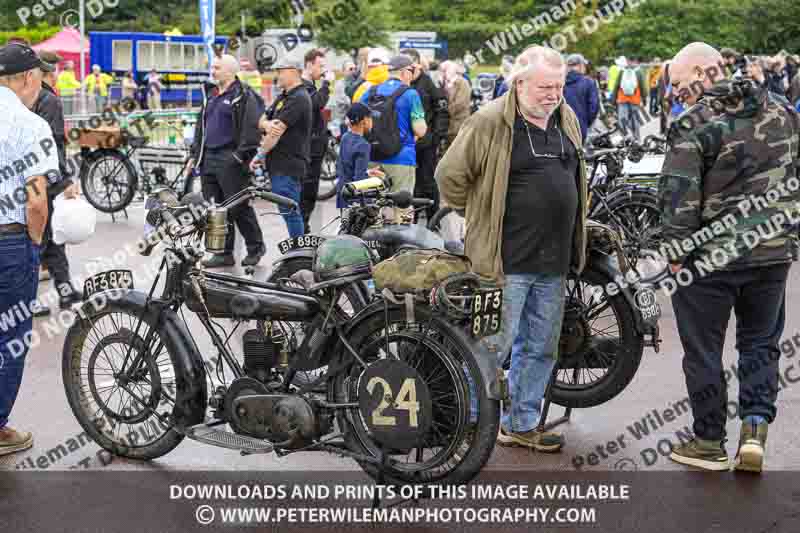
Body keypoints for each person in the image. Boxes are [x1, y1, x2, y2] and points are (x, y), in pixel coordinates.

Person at [435, 46, 588, 453]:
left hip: (553, 262)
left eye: (558, 87)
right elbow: (449, 174)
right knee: (490, 345)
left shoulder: (565, 118)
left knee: (540, 347)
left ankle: (519, 424)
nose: (553, 95)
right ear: (519, 83)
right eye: (544, 87)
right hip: (502, 262)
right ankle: (463, 424)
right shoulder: (488, 121)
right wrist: (478, 214)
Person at [659, 42, 800, 473]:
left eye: (681, 83)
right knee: (760, 345)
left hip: (710, 260)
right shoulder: (783, 110)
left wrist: (676, 254)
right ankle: (754, 433)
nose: (677, 93)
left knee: (703, 351)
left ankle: (708, 442)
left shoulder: (693, 124)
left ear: (705, 72)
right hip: (772, 253)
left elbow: (678, 198)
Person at [0, 43, 55, 457]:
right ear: (26, 78)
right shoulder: (29, 124)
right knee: (10, 337)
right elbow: (37, 200)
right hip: (10, 241)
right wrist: (35, 245)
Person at [187, 54, 265, 267]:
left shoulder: (244, 95)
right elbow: (200, 128)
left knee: (238, 206)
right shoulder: (211, 94)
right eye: (213, 67)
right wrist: (195, 156)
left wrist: (239, 156)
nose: (213, 71)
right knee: (215, 208)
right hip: (208, 158)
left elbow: (252, 128)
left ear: (231, 71)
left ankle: (256, 247)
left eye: (217, 67)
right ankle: (223, 253)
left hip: (230, 158)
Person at [30, 51, 81, 317]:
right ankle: (30, 300)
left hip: (32, 178)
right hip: (45, 180)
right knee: (41, 239)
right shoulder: (49, 100)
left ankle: (65, 290)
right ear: (50, 72)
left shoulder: (27, 98)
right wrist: (64, 181)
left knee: (51, 239)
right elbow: (53, 144)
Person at [359, 54, 427, 222]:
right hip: (402, 159)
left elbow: (354, 119)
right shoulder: (411, 94)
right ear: (404, 72)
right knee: (402, 207)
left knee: (372, 206)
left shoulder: (371, 91)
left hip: (373, 157)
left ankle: (371, 244)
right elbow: (420, 130)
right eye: (411, 70)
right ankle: (400, 247)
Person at [252, 59, 311, 238]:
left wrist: (260, 155)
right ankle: (297, 251)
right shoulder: (284, 96)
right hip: (279, 164)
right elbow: (262, 120)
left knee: (290, 211)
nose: (278, 74)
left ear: (294, 71)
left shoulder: (299, 98)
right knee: (288, 210)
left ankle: (298, 253)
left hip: (289, 165)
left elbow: (276, 133)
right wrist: (267, 124)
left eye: (281, 71)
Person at [400, 48, 450, 222]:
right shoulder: (400, 83)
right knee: (407, 185)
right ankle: (409, 221)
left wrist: (435, 136)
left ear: (417, 65)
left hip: (426, 144)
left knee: (427, 181)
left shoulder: (428, 84)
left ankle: (433, 220)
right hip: (404, 144)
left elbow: (442, 111)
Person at [300, 49, 334, 233]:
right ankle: (301, 228)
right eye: (320, 66)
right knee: (307, 189)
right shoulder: (304, 86)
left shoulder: (310, 85)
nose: (323, 70)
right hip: (309, 147)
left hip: (314, 144)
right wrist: (327, 83)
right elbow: (317, 103)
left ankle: (303, 226)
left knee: (310, 189)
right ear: (309, 64)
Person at [334, 102, 383, 209]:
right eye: (370, 118)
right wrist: (373, 180)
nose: (372, 121)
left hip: (342, 191)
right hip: (355, 199)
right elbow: (359, 180)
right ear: (364, 121)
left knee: (345, 224)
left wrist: (368, 172)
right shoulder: (363, 145)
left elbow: (346, 167)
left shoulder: (345, 137)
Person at [563, 53, 600, 143]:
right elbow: (594, 108)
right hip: (581, 128)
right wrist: (586, 123)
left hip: (562, 128)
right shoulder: (589, 82)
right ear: (580, 66)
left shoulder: (560, 83)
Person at [610, 56, 647, 140]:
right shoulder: (639, 72)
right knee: (634, 120)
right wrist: (644, 99)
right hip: (635, 100)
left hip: (622, 99)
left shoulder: (622, 71)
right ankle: (637, 139)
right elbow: (643, 87)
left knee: (622, 120)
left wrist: (613, 100)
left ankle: (624, 140)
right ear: (635, 61)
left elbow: (616, 85)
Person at [439, 60, 472, 147]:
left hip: (459, 123)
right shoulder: (445, 83)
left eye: (444, 70)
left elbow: (460, 103)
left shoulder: (462, 83)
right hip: (448, 125)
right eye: (442, 71)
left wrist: (445, 112)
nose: (443, 73)